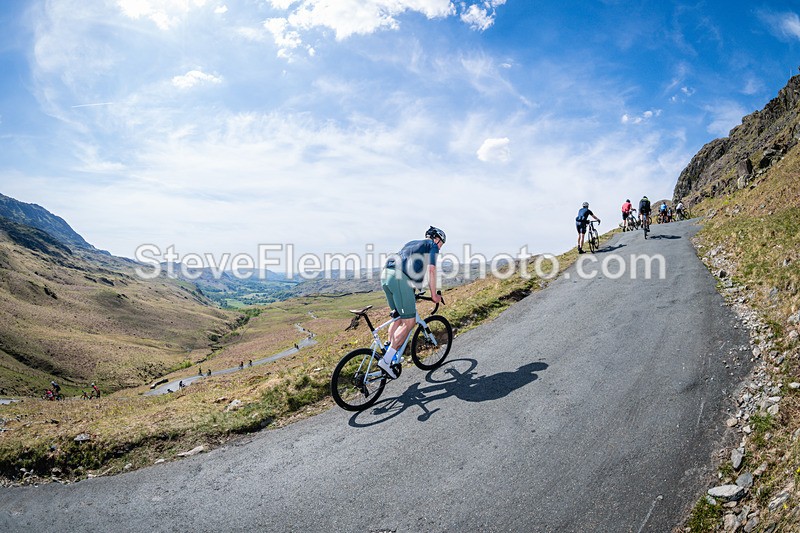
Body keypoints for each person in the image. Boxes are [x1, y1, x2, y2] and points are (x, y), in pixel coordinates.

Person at [378, 226, 446, 379]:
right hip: (399, 278)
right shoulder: (432, 246)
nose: (441, 247)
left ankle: (390, 353)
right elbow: (431, 270)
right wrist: (434, 295)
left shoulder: (412, 244)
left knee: (398, 317)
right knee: (409, 323)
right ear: (437, 239)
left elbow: (409, 266)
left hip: (385, 275)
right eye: (442, 243)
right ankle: (386, 361)